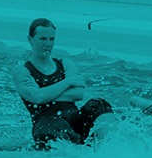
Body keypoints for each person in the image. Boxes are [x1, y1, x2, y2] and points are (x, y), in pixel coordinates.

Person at [12, 18, 113, 150]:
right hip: (48, 123)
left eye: (51, 39)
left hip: (74, 118)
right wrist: (68, 81)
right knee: (56, 131)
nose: (48, 44)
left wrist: (45, 94)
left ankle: (107, 149)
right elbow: (36, 97)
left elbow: (78, 94)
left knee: (99, 104)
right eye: (43, 39)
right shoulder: (22, 70)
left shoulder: (65, 63)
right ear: (30, 39)